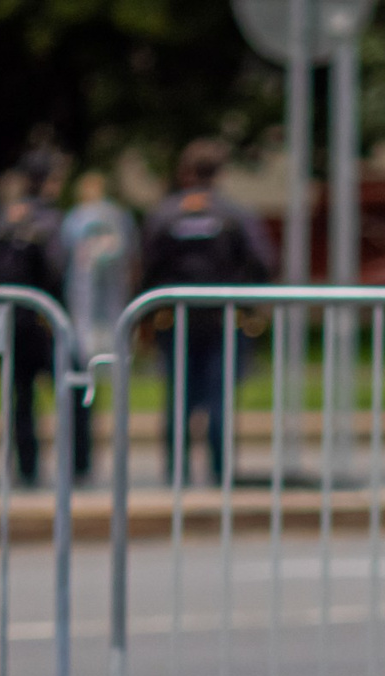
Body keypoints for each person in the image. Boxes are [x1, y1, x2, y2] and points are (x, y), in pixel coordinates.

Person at [142, 139, 274, 485]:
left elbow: (144, 267)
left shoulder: (165, 214)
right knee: (219, 397)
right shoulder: (234, 215)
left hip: (175, 319)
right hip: (224, 319)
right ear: (220, 173)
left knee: (177, 397)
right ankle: (219, 473)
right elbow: (263, 262)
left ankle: (176, 473)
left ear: (185, 172)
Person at [0, 168, 70, 487]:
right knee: (73, 388)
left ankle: (26, 467)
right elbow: (59, 268)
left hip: (10, 320)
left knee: (21, 396)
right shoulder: (51, 222)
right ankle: (76, 463)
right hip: (46, 319)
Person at [58, 170, 138, 480]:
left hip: (82, 314)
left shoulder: (75, 220)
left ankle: (82, 460)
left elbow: (63, 260)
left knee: (83, 386)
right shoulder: (120, 218)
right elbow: (129, 258)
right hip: (115, 313)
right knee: (115, 385)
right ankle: (116, 459)